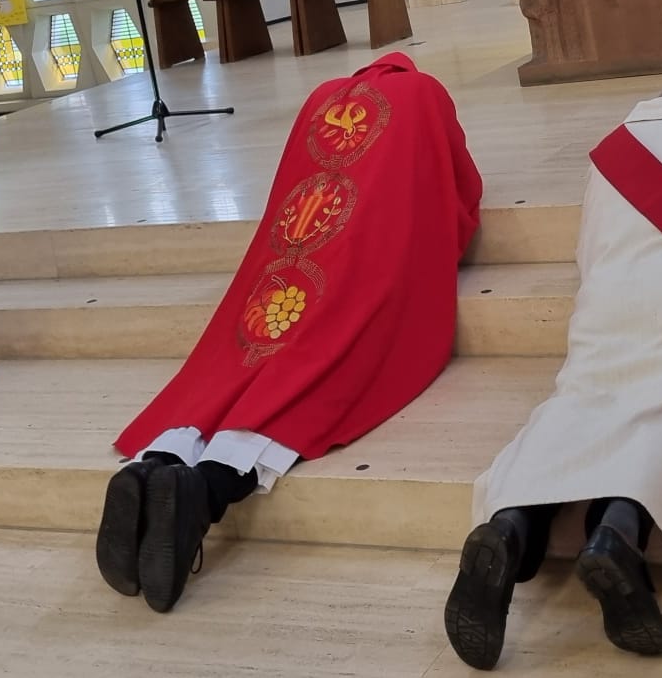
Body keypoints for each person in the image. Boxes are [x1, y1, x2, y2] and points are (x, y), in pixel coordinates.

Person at [98, 52, 482, 614]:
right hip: (363, 264)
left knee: (238, 366)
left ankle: (157, 463)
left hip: (290, 260)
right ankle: (206, 490)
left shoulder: (321, 97)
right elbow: (459, 188)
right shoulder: (425, 93)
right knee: (320, 376)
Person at [444, 84, 662, 670]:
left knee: (578, 406)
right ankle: (617, 530)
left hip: (606, 303)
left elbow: (588, 252)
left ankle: (511, 524)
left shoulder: (608, 151)